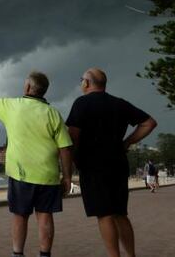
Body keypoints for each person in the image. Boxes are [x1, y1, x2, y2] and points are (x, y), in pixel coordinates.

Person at [0, 71, 72, 257]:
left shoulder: (12, 106)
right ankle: (45, 254)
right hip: (48, 175)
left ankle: (17, 254)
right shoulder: (53, 114)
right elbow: (65, 148)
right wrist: (67, 177)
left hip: (21, 175)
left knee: (20, 215)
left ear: (27, 87)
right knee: (45, 216)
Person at [66, 68, 157, 257]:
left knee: (104, 214)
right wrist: (127, 142)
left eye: (82, 79)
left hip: (92, 166)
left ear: (87, 83)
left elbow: (72, 136)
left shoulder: (81, 104)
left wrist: (70, 163)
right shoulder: (119, 104)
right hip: (118, 164)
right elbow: (149, 123)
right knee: (119, 213)